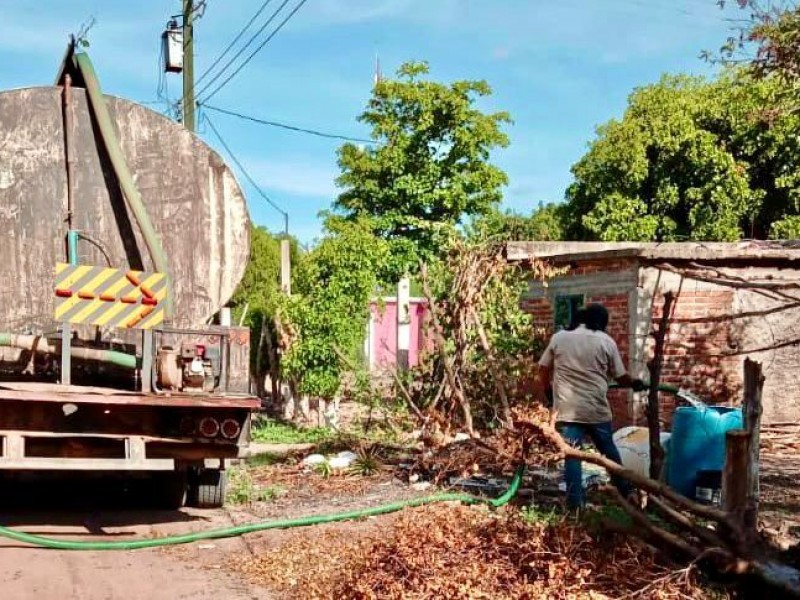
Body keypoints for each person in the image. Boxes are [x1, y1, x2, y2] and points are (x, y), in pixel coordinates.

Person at [536, 303, 646, 510]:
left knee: (572, 455)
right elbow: (621, 377)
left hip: (566, 410)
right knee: (610, 453)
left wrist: (549, 392)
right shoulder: (606, 341)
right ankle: (628, 493)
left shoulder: (559, 338)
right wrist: (635, 383)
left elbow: (542, 369)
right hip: (596, 410)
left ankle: (575, 505)